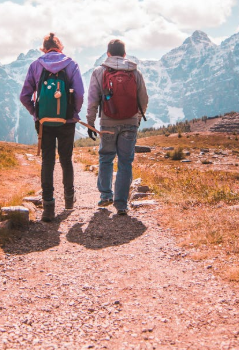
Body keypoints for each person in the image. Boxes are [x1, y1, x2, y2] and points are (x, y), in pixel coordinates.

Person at [20, 33, 84, 222]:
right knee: (66, 159)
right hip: (67, 122)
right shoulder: (71, 64)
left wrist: (36, 114)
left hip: (44, 122)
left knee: (47, 161)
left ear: (44, 48)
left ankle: (48, 206)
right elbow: (79, 93)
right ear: (60, 48)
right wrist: (73, 113)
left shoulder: (35, 65)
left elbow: (24, 96)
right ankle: (69, 201)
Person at [86, 39, 148, 215]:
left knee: (106, 157)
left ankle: (106, 195)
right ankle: (121, 204)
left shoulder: (100, 71)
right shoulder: (135, 72)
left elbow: (93, 100)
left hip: (107, 123)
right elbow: (143, 99)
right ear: (124, 54)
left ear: (108, 54)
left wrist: (90, 122)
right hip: (129, 122)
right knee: (125, 162)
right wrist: (136, 119)